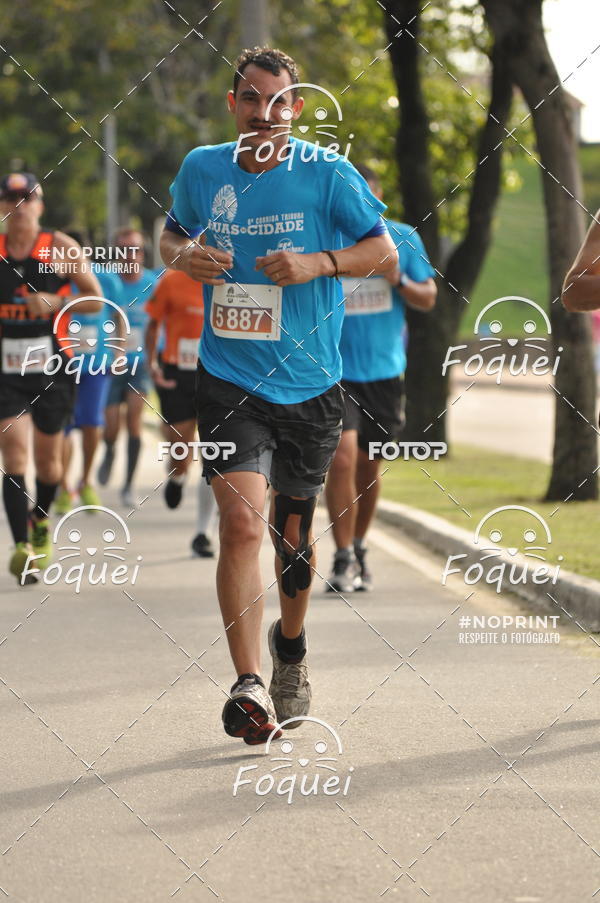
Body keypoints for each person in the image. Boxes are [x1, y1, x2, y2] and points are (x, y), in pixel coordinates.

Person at [160, 47, 398, 744]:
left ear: (295, 109)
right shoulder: (203, 169)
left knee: (292, 542)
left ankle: (288, 648)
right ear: (232, 104)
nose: (264, 114)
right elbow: (171, 232)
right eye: (251, 99)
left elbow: (381, 251)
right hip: (231, 377)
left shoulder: (327, 174)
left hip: (313, 385)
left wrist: (318, 263)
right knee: (239, 524)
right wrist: (182, 256)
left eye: (279, 102)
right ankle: (247, 684)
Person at [325, 165, 437, 592]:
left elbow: (428, 298)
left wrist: (398, 279)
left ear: (378, 198)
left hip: (384, 371)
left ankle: (357, 544)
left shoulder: (403, 238)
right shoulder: (328, 238)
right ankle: (340, 555)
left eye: (367, 201)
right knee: (342, 456)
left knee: (369, 467)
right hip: (334, 370)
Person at [0, 172, 101, 582]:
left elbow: (94, 301)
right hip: (6, 370)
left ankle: (40, 518)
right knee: (13, 451)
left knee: (48, 464)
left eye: (28, 198)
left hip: (52, 369)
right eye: (11, 199)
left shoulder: (59, 247)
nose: (19, 206)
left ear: (40, 204)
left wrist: (59, 300)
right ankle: (22, 546)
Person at [145, 267, 217, 556]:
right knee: (180, 447)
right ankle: (177, 476)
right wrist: (152, 363)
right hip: (178, 372)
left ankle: (203, 532)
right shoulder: (173, 279)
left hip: (217, 374)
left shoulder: (232, 274)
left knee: (214, 452)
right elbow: (153, 323)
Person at [55, 257, 125, 513]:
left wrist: (119, 351)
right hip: (61, 362)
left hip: (97, 363)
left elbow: (118, 315)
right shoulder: (53, 276)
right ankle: (63, 487)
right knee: (63, 425)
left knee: (92, 422)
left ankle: (86, 481)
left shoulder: (106, 279)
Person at [96, 228, 160, 507]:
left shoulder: (153, 282)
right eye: (122, 251)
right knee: (111, 425)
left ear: (142, 253)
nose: (129, 256)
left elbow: (163, 319)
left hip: (140, 363)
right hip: (111, 364)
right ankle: (109, 448)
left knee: (134, 420)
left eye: (134, 249)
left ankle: (128, 486)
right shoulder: (108, 282)